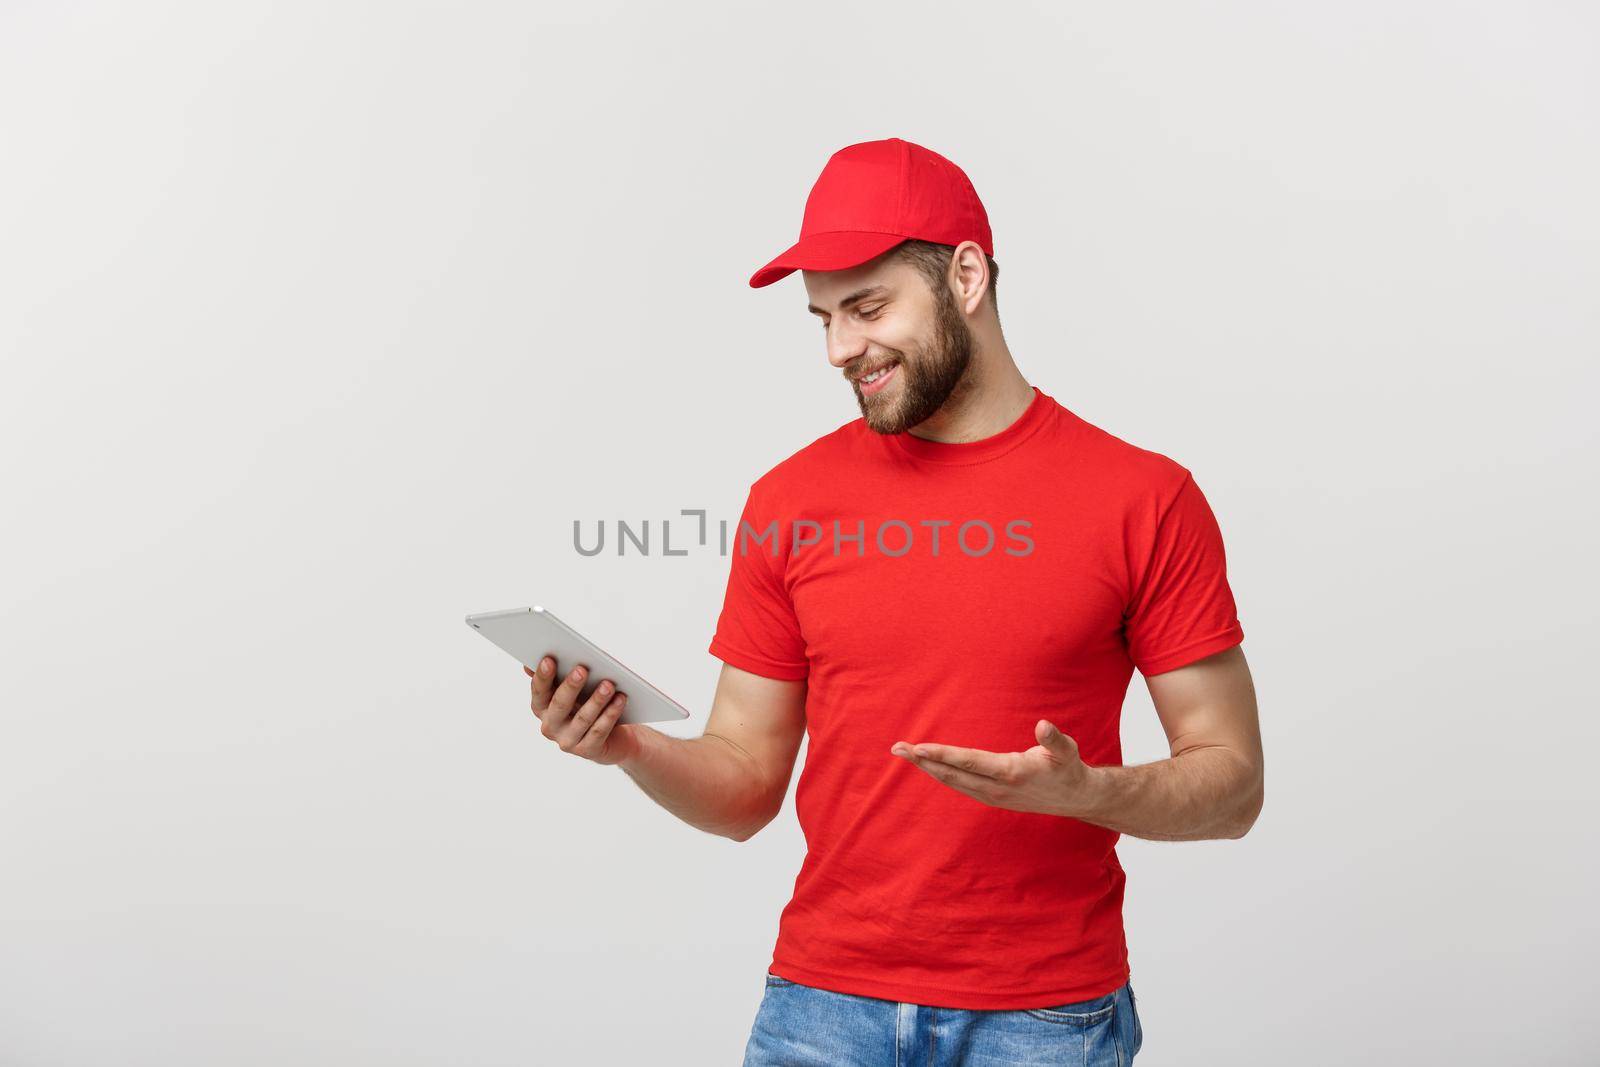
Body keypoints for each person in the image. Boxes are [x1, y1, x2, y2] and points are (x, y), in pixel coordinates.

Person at [525, 136, 1263, 1066]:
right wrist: (625, 742)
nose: (841, 349)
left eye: (868, 307)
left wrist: (1091, 794)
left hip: (1046, 1020)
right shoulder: (788, 503)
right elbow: (745, 785)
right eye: (823, 317)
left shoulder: (1144, 498)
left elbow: (1233, 785)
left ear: (965, 277)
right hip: (820, 1009)